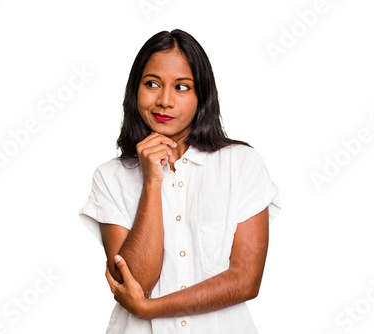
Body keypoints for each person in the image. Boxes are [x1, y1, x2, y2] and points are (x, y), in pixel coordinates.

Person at [79, 29, 281, 333]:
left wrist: (149, 309)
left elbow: (245, 280)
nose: (165, 101)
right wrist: (151, 183)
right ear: (135, 90)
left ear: (202, 96)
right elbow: (136, 282)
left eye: (182, 87)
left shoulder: (241, 164)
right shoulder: (110, 177)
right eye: (152, 84)